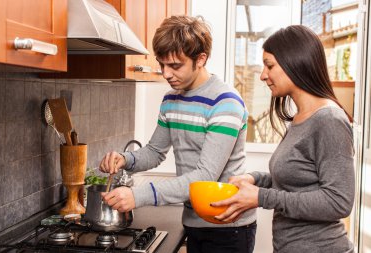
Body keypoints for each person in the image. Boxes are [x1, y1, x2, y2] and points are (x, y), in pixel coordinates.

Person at [98, 15, 257, 253]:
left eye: (175, 65)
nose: (166, 74)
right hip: (193, 221)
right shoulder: (171, 99)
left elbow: (205, 176)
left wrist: (139, 195)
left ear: (200, 59)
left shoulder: (225, 103)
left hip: (228, 227)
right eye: (162, 64)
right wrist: (125, 159)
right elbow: (154, 151)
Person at [212, 25, 355, 253]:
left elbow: (338, 202)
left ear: (295, 62)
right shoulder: (300, 118)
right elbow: (295, 181)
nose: (262, 75)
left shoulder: (329, 119)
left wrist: (261, 197)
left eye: (269, 65)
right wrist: (254, 179)